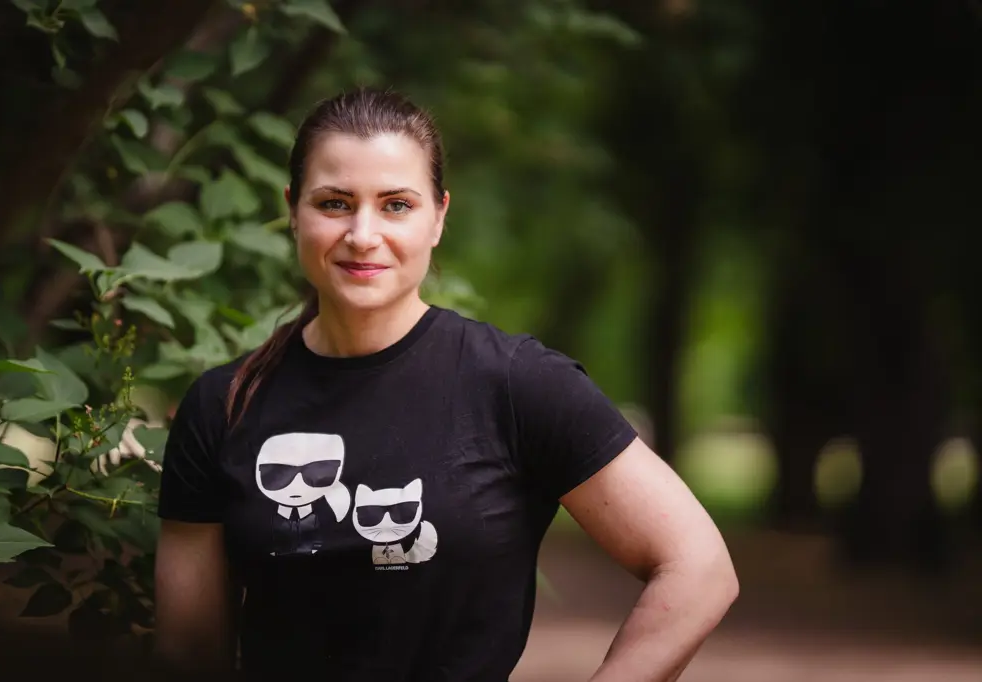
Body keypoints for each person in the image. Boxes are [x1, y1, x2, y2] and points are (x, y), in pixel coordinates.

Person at [154, 87, 738, 682]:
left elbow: (699, 568)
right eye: (334, 203)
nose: (362, 233)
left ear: (438, 216)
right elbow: (188, 654)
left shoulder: (516, 384)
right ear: (293, 211)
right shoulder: (223, 405)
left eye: (396, 205)